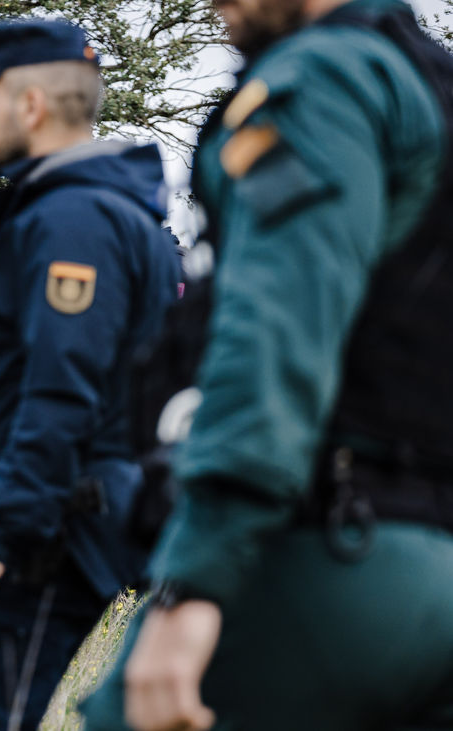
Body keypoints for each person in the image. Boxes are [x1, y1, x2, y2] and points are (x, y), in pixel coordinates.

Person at [80, 0, 453, 727]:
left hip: (340, 545)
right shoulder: (430, 85)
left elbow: (276, 340)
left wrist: (192, 580)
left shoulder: (321, 82)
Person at [0, 19, 181, 731]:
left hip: (45, 534)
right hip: (52, 521)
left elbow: (62, 394)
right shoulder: (94, 209)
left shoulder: (74, 221)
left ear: (31, 104)